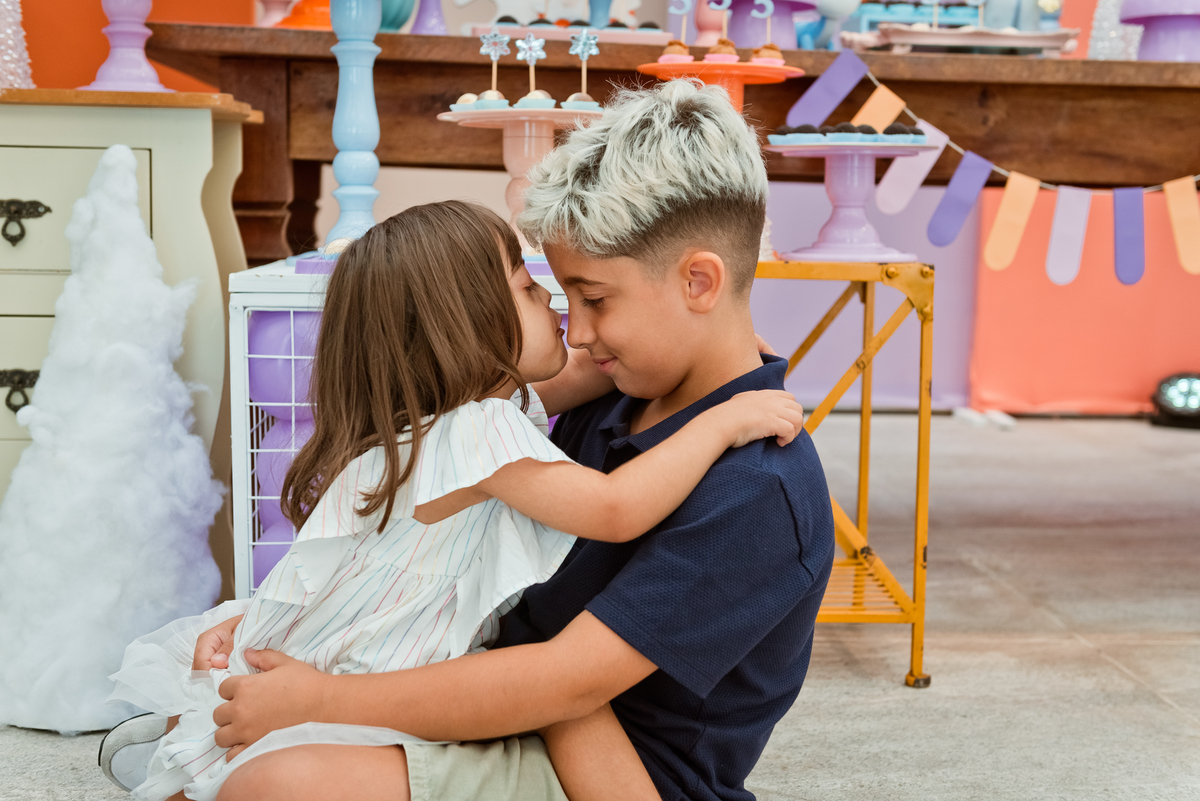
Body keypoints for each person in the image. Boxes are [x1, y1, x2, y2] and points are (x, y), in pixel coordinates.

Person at [102, 199, 806, 801]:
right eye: (532, 288)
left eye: (589, 299)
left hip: (548, 717)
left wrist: (713, 352)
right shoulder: (479, 426)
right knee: (261, 765)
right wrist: (722, 412)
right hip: (417, 665)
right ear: (469, 326)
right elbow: (615, 505)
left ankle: (197, 753)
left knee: (266, 773)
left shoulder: (476, 415)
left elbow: (575, 384)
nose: (565, 316)